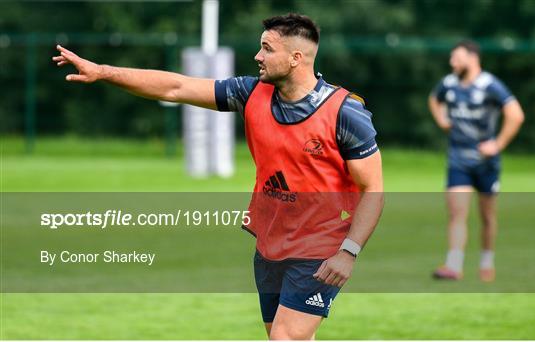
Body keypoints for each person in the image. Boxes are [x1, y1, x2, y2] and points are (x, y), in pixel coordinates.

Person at [53, 13, 384, 340]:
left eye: (267, 49)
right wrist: (103, 72)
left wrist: (348, 251)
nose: (258, 56)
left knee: (286, 338)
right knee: (286, 336)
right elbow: (175, 87)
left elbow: (373, 188)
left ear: (296, 58)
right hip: (270, 241)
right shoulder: (249, 93)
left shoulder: (345, 113)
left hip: (320, 246)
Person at [428, 40, 524, 282]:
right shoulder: (449, 83)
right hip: (458, 159)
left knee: (487, 216)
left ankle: (486, 262)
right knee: (456, 213)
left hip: (485, 163)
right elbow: (433, 99)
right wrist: (441, 120)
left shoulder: (489, 85)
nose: (453, 62)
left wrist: (498, 144)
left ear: (473, 58)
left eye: (457, 57)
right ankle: (454, 265)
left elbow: (516, 115)